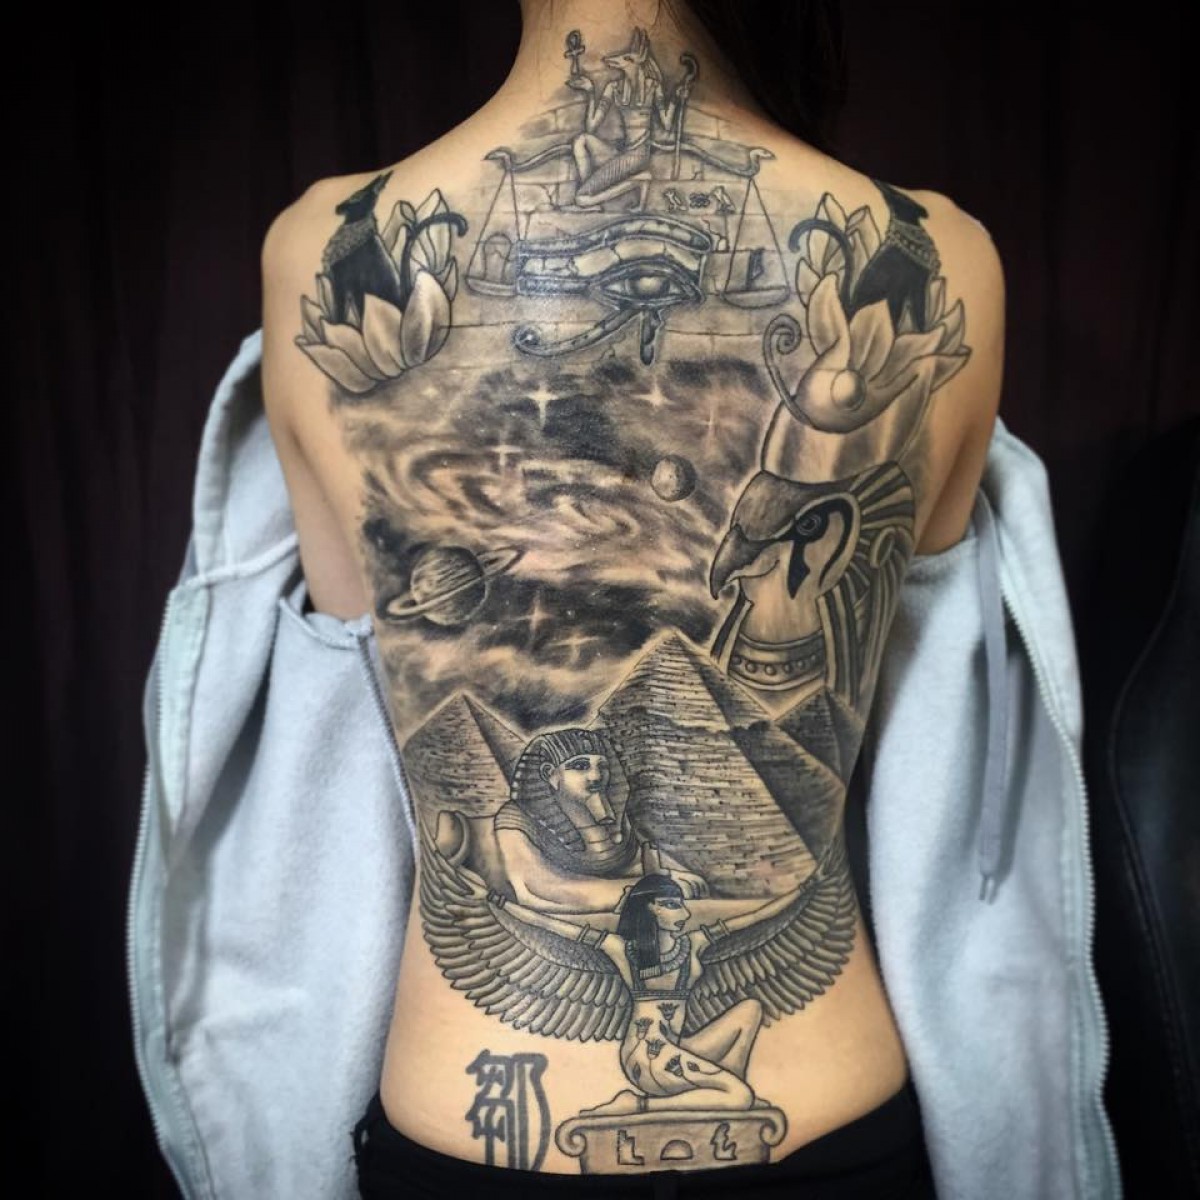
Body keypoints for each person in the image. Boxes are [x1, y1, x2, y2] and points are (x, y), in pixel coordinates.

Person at [260, 0, 1002, 1194]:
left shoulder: (324, 255)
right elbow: (879, 656)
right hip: (829, 1125)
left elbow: (370, 642)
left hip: (471, 1128)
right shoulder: (934, 258)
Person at [494, 727, 709, 911]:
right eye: (580, 766)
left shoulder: (616, 819)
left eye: (602, 766)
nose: (596, 776)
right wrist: (647, 888)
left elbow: (640, 863)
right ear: (550, 774)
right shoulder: (517, 819)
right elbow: (542, 888)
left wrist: (666, 877)